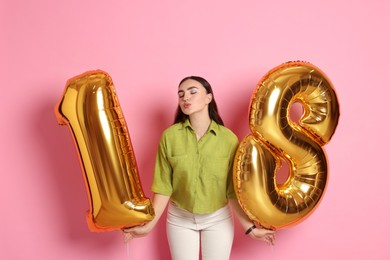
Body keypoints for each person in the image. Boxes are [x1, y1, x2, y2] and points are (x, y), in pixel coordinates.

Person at [123, 76, 275, 260]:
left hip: (218, 218)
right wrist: (148, 226)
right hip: (180, 218)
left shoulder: (228, 139)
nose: (185, 98)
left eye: (192, 92)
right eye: (181, 95)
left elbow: (232, 191)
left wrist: (250, 228)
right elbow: (163, 187)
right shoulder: (169, 137)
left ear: (209, 97)